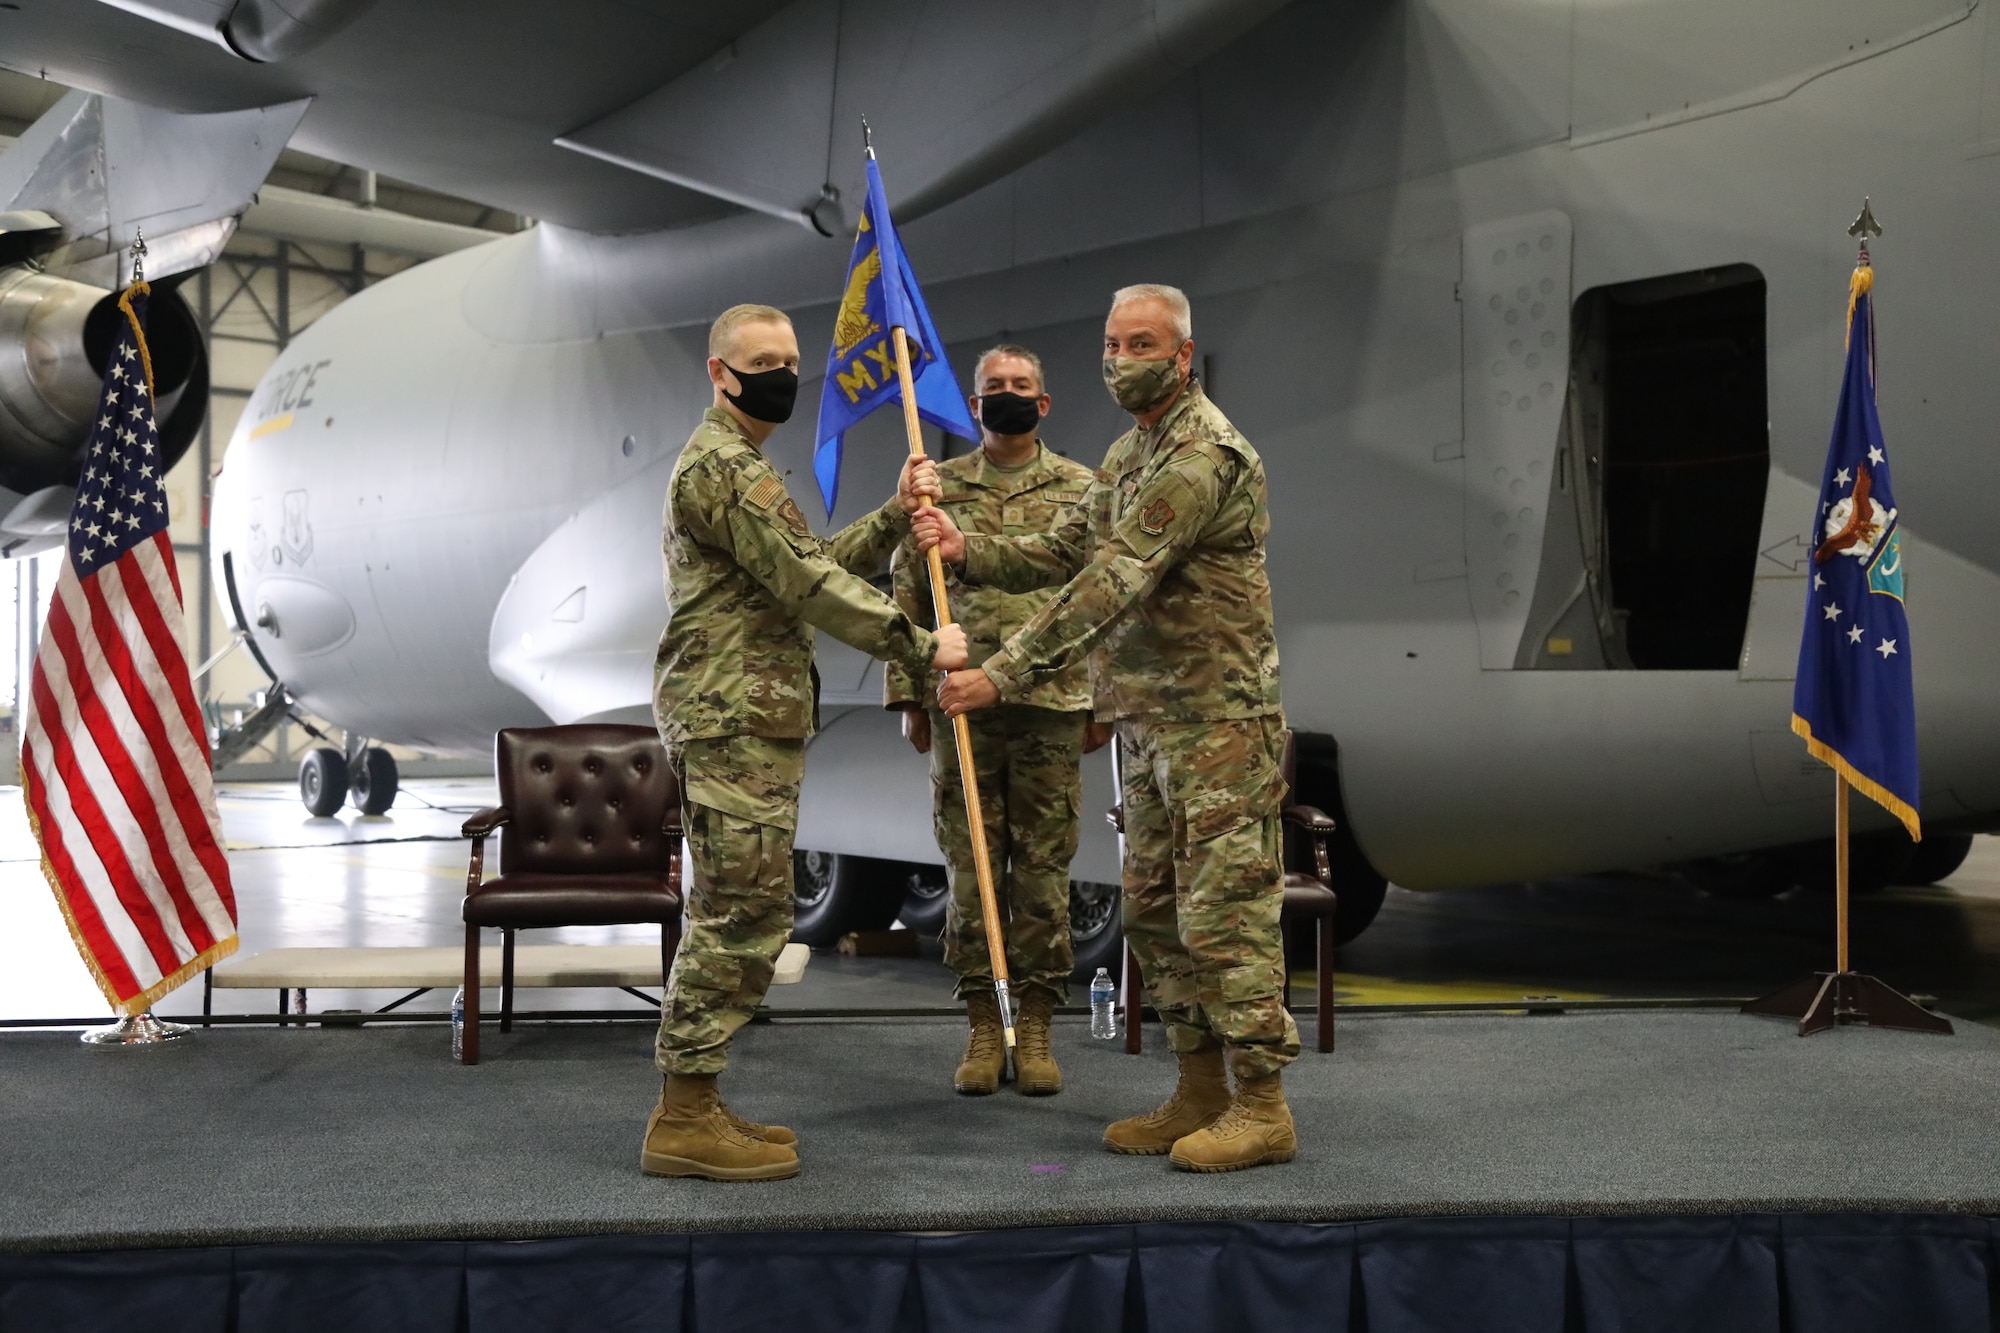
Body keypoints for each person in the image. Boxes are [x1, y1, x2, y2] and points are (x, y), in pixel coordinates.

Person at [915, 284, 1299, 1173]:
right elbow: (1065, 548)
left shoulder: (1201, 455)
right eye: (1113, 343)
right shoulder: (1130, 453)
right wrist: (970, 548)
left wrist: (1001, 672)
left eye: (1141, 344)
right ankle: (1201, 1088)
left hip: (1218, 722)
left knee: (1226, 916)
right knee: (1158, 915)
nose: (1122, 359)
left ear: (1182, 356)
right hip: (1150, 724)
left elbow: (1116, 576)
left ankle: (1263, 1105)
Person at [644, 303, 968, 1182]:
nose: (784, 374)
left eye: (791, 359)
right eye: (763, 361)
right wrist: (918, 641)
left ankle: (700, 1103)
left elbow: (805, 564)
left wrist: (896, 515)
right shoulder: (722, 466)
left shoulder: (742, 466)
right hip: (732, 717)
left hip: (751, 716)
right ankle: (682, 1117)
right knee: (735, 913)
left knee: (751, 910)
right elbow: (808, 580)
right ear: (720, 372)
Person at [883, 344, 1109, 1097]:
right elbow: (909, 593)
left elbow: (1106, 601)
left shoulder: (1082, 489)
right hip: (960, 708)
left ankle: (1038, 1024)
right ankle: (984, 1021)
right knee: (973, 867)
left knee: (1043, 871)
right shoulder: (937, 491)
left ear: (1043, 405)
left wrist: (1102, 697)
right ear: (973, 406)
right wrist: (910, 694)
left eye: (1020, 387)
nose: (1006, 396)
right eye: (993, 389)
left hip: (1050, 700)